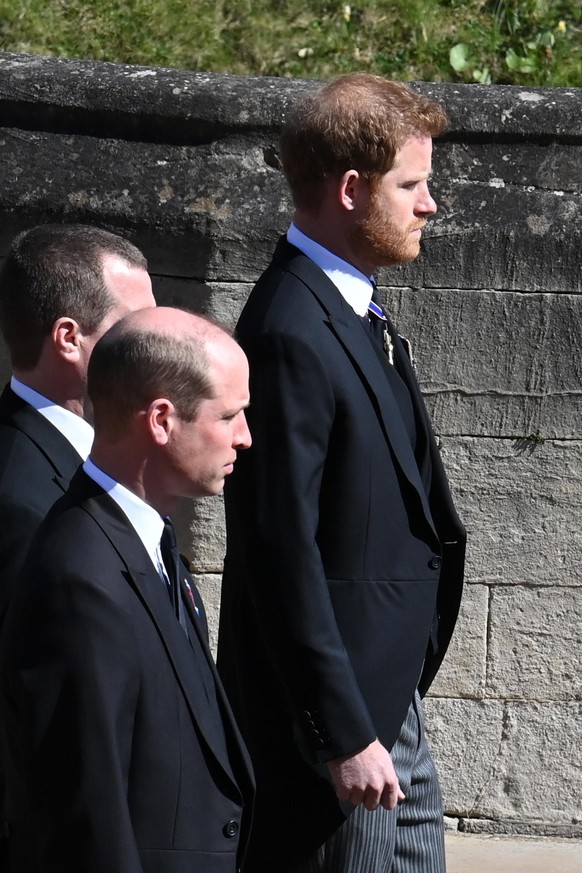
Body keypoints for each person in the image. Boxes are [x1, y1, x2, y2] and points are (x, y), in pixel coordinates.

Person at [218, 73, 466, 873]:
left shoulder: (352, 306)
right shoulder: (291, 326)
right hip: (342, 726)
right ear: (352, 190)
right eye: (413, 185)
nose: (430, 204)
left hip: (384, 692)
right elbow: (278, 549)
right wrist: (341, 730)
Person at [0, 307, 255, 873]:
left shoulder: (150, 545)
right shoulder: (79, 581)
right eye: (230, 415)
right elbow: (83, 821)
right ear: (161, 420)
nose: (245, 436)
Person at [0, 223, 155, 624]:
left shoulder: (104, 453)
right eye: (136, 328)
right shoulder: (21, 503)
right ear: (69, 339)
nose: (158, 346)